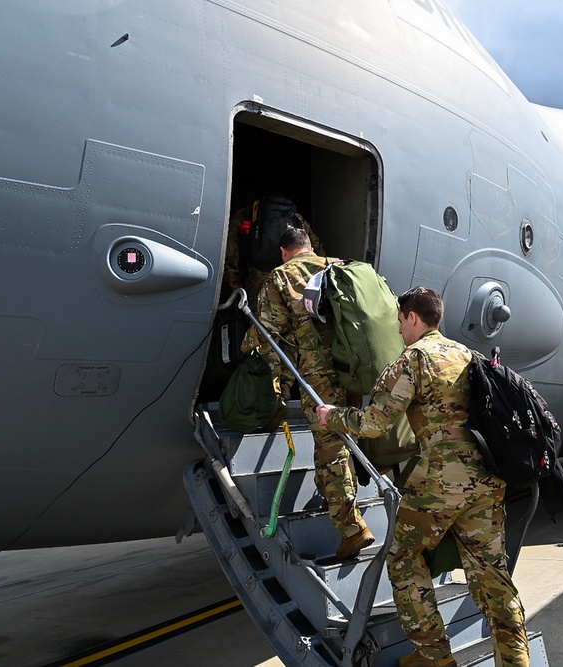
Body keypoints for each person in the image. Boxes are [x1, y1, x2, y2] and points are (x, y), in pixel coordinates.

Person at [317, 287, 530, 667]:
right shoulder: (468, 354)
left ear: (413, 317)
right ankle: (516, 661)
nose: (400, 330)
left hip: (440, 485)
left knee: (402, 557)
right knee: (493, 578)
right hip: (486, 481)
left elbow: (374, 422)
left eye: (401, 322)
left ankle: (435, 657)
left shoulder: (414, 359)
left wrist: (331, 415)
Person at [241, 226, 373, 560]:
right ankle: (338, 493)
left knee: (330, 448)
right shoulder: (338, 265)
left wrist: (246, 350)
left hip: (320, 374)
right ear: (310, 246)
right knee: (348, 435)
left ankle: (352, 528)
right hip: (354, 364)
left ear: (284, 251)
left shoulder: (280, 277)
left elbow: (269, 333)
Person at [223, 197, 325, 300]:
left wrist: (233, 275)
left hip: (260, 272)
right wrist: (322, 270)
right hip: (292, 271)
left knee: (259, 310)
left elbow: (231, 245)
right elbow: (314, 242)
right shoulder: (295, 216)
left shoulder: (246, 215)